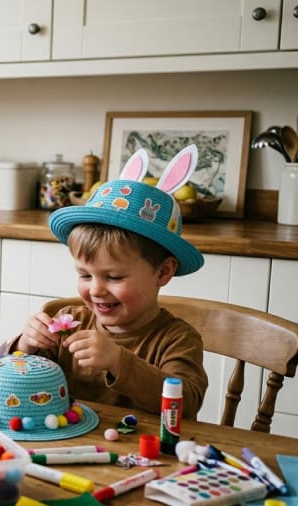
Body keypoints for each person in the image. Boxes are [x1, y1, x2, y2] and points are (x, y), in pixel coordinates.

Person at [12, 146, 208, 418]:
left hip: (148, 456)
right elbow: (21, 389)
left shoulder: (178, 340)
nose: (95, 290)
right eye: (84, 275)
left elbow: (185, 405)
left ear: (163, 273)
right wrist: (25, 346)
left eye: (114, 277)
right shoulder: (68, 323)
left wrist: (119, 362)